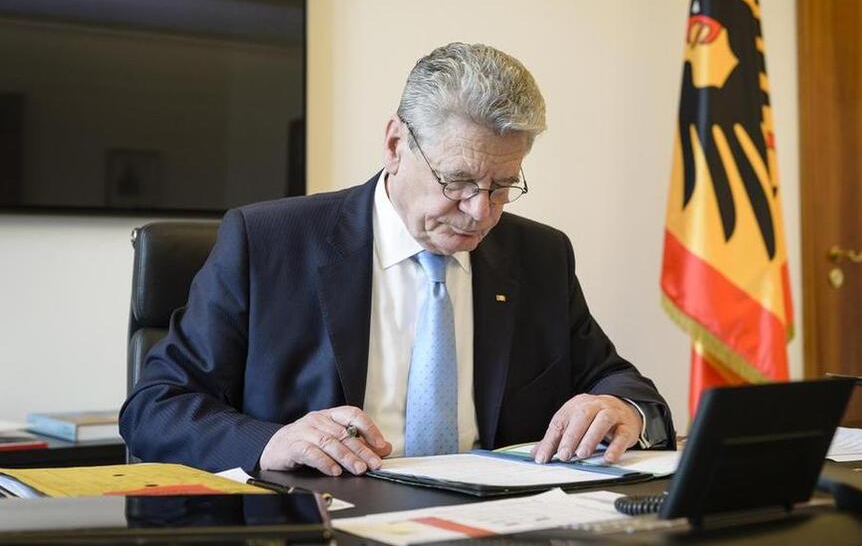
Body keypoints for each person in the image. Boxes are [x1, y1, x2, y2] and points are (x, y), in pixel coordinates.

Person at [120, 42, 675, 476]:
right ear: (394, 145)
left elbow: (620, 383)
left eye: (504, 185)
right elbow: (154, 408)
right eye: (457, 181)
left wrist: (623, 410)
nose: (481, 212)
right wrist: (271, 441)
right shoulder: (267, 243)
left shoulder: (539, 255)